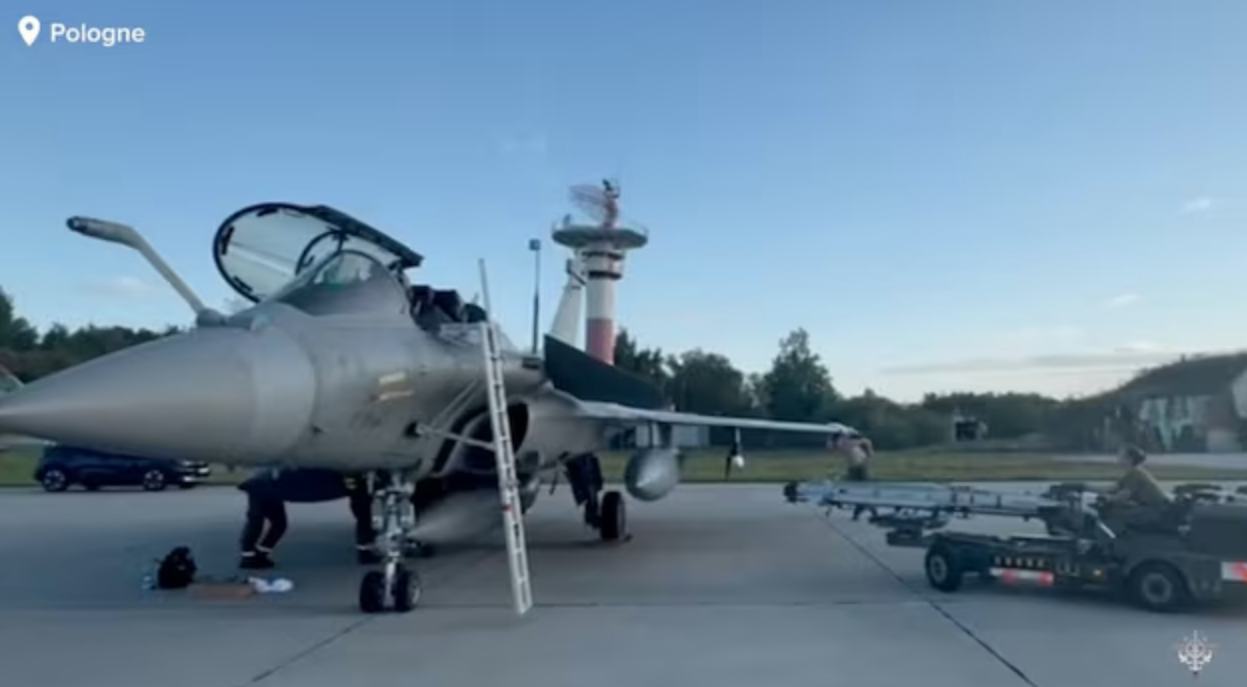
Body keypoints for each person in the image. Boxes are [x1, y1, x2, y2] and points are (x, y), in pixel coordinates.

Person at [238, 468, 378, 570]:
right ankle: (365, 551)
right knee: (271, 522)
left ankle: (253, 556)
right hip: (270, 483)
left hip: (265, 482)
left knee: (268, 522)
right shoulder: (349, 474)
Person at [1106, 445, 1169, 509]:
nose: (1118, 458)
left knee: (1120, 512)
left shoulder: (1135, 473)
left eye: (1121, 456)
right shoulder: (1132, 473)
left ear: (1129, 459)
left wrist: (1109, 499)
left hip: (1156, 509)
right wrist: (1102, 491)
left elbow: (1125, 494)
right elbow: (1114, 488)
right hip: (1151, 507)